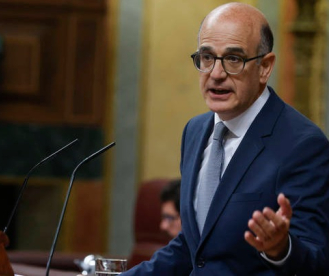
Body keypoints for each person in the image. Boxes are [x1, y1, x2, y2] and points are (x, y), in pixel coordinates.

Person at [120, 2, 329, 275]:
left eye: (233, 59)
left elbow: (317, 260)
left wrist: (281, 248)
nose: (216, 74)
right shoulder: (195, 131)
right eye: (207, 57)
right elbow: (194, 247)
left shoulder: (303, 145)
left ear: (265, 67)